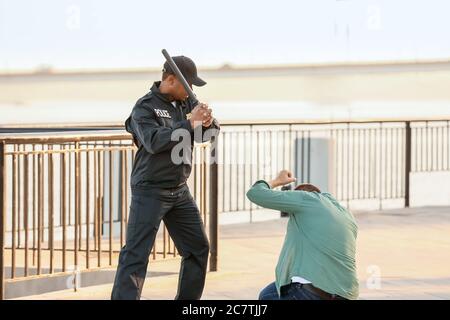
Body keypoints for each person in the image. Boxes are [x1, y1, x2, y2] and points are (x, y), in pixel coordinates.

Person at [111, 55, 220, 300]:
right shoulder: (144, 107)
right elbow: (153, 141)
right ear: (171, 80)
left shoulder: (185, 104)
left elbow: (206, 136)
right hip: (150, 190)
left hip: (179, 191)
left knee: (198, 248)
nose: (191, 90)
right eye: (188, 84)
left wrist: (208, 122)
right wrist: (190, 123)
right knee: (136, 255)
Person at [246, 170, 359, 300]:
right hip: (347, 294)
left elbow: (255, 193)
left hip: (311, 292)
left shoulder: (307, 199)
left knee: (267, 297)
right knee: (268, 293)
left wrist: (277, 181)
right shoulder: (346, 214)